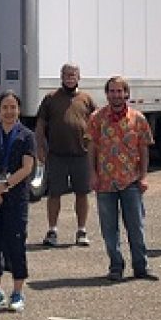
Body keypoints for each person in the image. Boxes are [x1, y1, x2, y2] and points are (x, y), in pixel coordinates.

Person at [87, 76, 156, 281]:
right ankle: (116, 266)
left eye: (120, 91)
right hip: (105, 182)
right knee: (109, 229)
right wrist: (92, 173)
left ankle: (141, 267)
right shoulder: (96, 118)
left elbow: (143, 149)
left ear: (127, 93)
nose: (116, 95)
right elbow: (91, 148)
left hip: (131, 181)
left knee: (136, 226)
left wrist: (143, 176)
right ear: (107, 94)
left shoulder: (138, 119)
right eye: (112, 91)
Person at [0, 91, 36, 312]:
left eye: (13, 107)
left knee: (16, 242)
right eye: (5, 108)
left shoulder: (26, 135)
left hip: (16, 197)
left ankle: (18, 292)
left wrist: (4, 187)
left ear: (19, 110)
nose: (9, 112)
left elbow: (27, 167)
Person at [36, 63, 97, 247]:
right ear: (61, 77)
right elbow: (40, 125)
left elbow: (96, 124)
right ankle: (52, 230)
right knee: (54, 194)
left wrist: (97, 149)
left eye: (73, 75)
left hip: (81, 155)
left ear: (79, 77)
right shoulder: (50, 98)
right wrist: (40, 146)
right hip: (56, 155)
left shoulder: (86, 99)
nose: (70, 78)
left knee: (82, 193)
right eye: (66, 75)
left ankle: (81, 230)